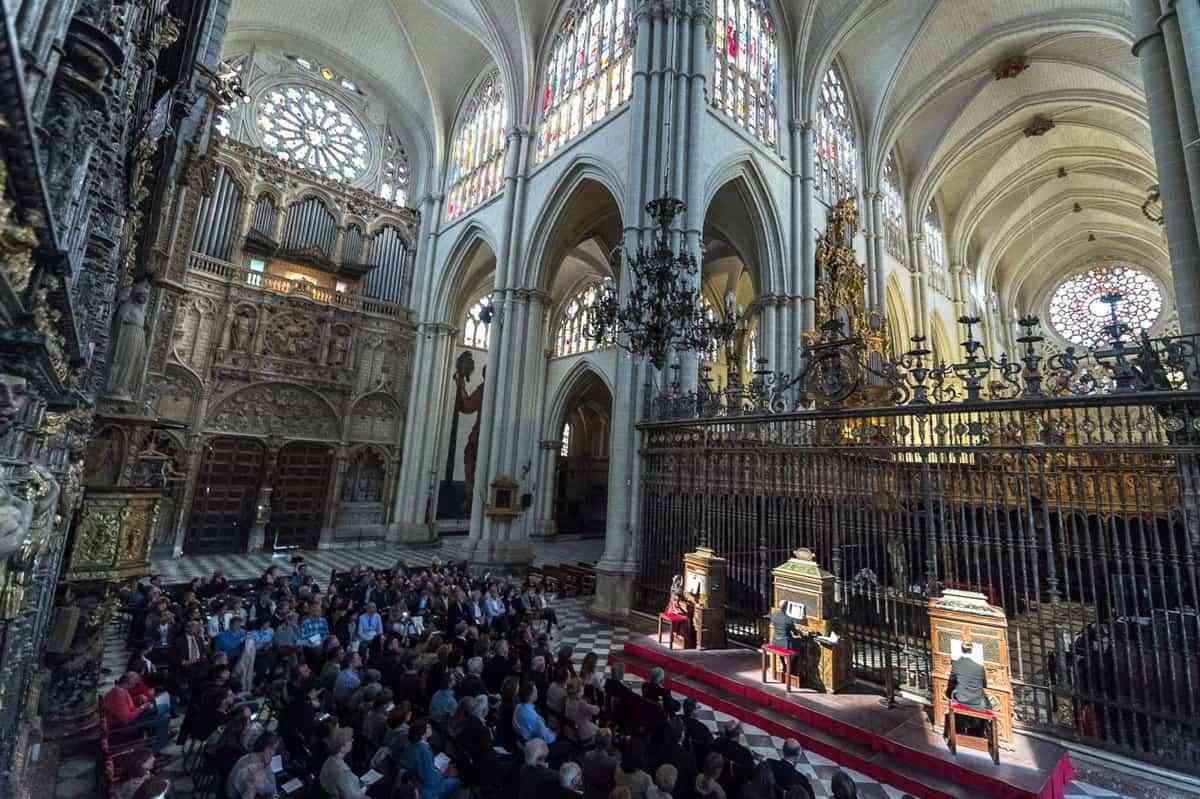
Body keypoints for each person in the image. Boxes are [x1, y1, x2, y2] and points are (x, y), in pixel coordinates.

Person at [103, 672, 171, 752]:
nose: (134, 686)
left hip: (130, 720)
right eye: (134, 684)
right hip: (125, 726)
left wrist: (138, 699)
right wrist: (143, 707)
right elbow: (127, 719)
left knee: (161, 707)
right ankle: (157, 749)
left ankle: (160, 737)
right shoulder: (119, 694)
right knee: (163, 718)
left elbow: (126, 705)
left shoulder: (119, 689)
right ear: (129, 682)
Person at [401, 717, 461, 799]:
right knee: (456, 781)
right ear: (423, 733)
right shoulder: (425, 752)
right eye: (428, 727)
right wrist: (441, 771)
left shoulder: (410, 744)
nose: (431, 727)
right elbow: (431, 781)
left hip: (415, 781)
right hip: (427, 791)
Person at [946, 641, 989, 737]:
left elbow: (952, 681)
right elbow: (984, 684)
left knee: (952, 695)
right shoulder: (980, 667)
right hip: (976, 701)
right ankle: (978, 732)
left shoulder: (956, 664)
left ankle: (959, 728)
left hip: (961, 698)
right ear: (972, 651)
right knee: (987, 704)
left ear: (961, 650)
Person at [227, 731, 280, 799]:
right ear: (267, 749)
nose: (275, 753)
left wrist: (267, 765)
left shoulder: (260, 759)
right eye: (274, 749)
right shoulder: (248, 769)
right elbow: (269, 790)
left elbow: (272, 787)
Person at [320, 727, 368, 799]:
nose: (352, 740)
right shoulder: (342, 771)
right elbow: (353, 797)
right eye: (349, 740)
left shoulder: (328, 761)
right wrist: (365, 789)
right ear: (342, 747)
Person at [582, 728, 621, 799]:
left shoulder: (587, 755)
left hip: (589, 793)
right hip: (605, 795)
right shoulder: (613, 762)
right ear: (609, 743)